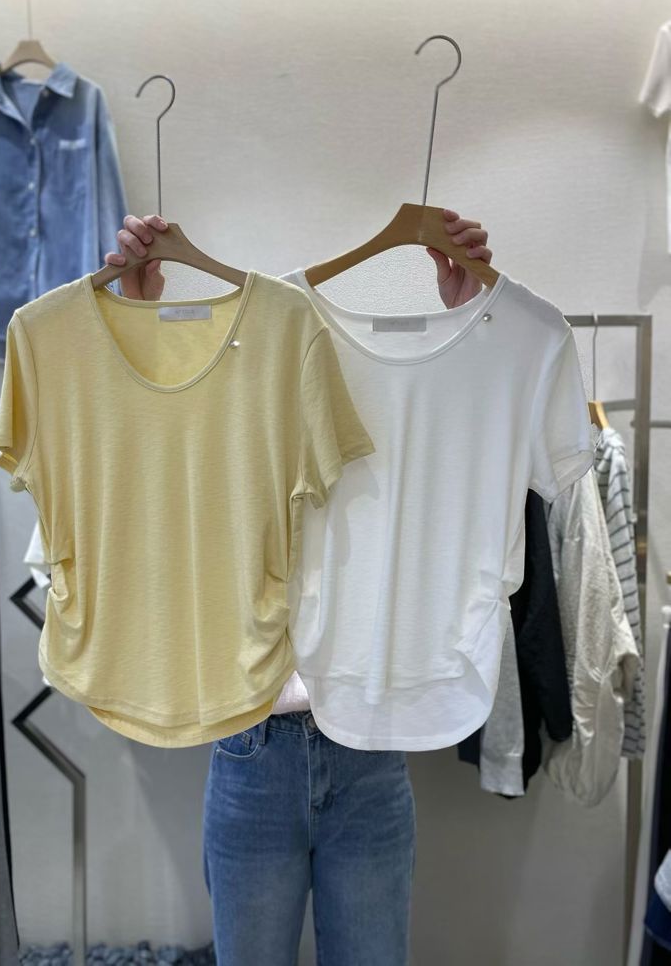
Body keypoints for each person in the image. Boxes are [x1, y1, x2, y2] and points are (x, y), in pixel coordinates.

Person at [106, 210, 493, 966]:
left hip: (371, 739)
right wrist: (141, 323)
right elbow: (150, 469)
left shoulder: (421, 378)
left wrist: (468, 330)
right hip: (253, 736)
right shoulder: (238, 367)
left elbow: (470, 466)